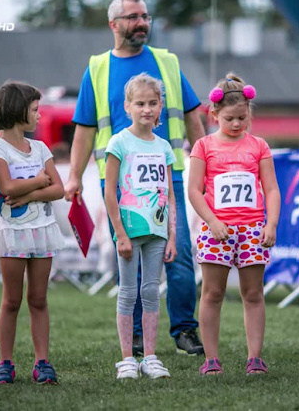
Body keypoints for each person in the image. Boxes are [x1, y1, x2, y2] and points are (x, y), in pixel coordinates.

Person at [65, 0, 206, 356]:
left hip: (167, 173)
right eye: (133, 17)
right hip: (118, 180)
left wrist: (208, 160)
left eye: (145, 16)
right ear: (114, 25)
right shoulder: (97, 68)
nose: (142, 22)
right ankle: (139, 335)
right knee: (131, 255)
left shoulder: (168, 62)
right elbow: (83, 127)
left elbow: (192, 115)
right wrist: (74, 176)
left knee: (179, 254)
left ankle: (185, 331)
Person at [189, 74, 280, 375]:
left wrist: (271, 224)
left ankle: (255, 357)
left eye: (243, 117)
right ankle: (211, 359)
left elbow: (271, 189)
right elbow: (194, 190)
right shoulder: (203, 145)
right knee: (212, 294)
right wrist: (212, 221)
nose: (237, 124)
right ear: (214, 114)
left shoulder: (259, 145)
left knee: (253, 294)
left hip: (253, 229)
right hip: (216, 230)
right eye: (230, 119)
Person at [0, 82, 65, 384]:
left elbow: (57, 189)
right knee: (11, 300)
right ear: (18, 111)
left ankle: (42, 361)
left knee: (38, 299)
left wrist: (31, 193)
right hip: (12, 234)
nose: (39, 115)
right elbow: (6, 188)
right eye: (35, 109)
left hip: (42, 231)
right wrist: (38, 180)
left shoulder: (41, 148)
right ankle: (5, 363)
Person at [105, 74, 177, 380]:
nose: (146, 109)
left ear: (160, 106)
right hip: (130, 230)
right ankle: (126, 359)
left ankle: (150, 356)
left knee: (151, 292)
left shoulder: (164, 147)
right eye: (140, 103)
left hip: (158, 230)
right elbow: (110, 191)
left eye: (152, 103)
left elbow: (170, 194)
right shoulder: (119, 142)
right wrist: (120, 233)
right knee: (127, 292)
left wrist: (173, 235)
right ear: (127, 106)